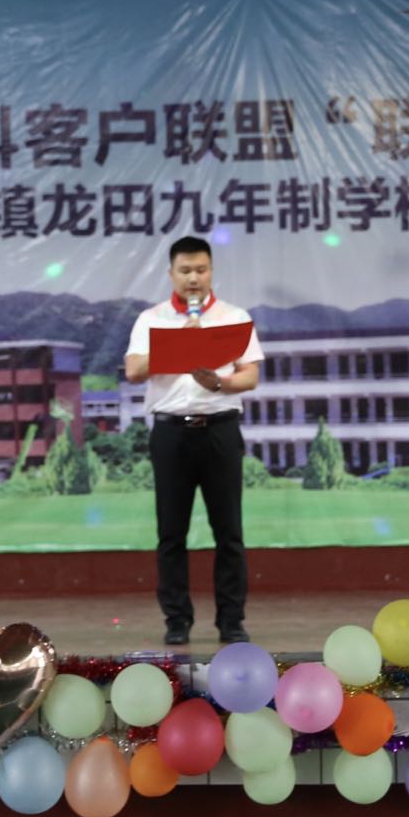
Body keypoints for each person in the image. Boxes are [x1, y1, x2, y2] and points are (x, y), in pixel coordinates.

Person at [123, 235, 264, 647]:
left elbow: (250, 376)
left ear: (211, 271)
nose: (193, 278)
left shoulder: (234, 317)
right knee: (172, 533)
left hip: (220, 429)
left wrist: (220, 382)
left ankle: (232, 621)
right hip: (171, 432)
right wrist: (181, 344)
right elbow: (133, 370)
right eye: (185, 271)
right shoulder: (151, 319)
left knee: (229, 532)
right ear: (171, 273)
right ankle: (177, 620)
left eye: (201, 270)